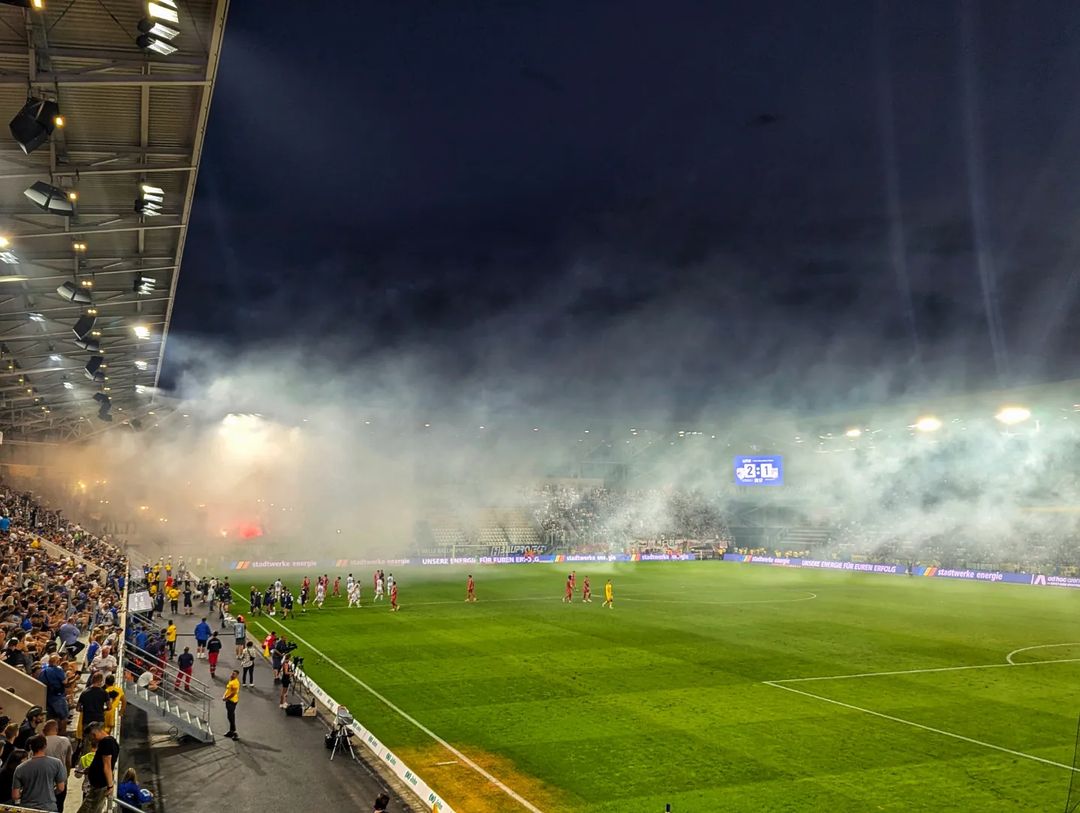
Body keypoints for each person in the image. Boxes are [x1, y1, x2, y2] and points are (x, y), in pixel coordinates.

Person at [12, 733, 65, 812]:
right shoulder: (57, 763)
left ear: (30, 747)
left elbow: (15, 795)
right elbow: (61, 788)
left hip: (27, 808)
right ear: (45, 746)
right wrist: (50, 793)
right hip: (49, 808)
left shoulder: (20, 768)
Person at [76, 722, 117, 813]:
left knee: (88, 810)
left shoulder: (106, 743)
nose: (91, 741)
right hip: (97, 785)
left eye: (90, 739)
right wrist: (91, 769)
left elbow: (107, 765)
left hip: (99, 786)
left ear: (93, 734)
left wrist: (110, 786)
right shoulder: (108, 742)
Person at [42, 720, 71, 813]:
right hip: (60, 780)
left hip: (44, 780)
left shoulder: (39, 742)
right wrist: (67, 775)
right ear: (56, 729)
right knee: (59, 806)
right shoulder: (65, 741)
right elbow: (68, 761)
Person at [222, 670, 240, 740]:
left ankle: (234, 732)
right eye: (232, 673)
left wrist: (226, 698)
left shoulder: (235, 683)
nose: (232, 675)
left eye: (234, 674)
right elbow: (228, 690)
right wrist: (224, 695)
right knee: (229, 716)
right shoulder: (231, 680)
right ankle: (231, 731)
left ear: (237, 675)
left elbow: (233, 693)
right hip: (228, 700)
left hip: (232, 701)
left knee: (231, 717)